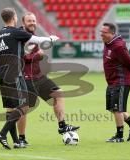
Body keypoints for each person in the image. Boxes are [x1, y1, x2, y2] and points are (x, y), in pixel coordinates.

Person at [0, 8, 59, 150]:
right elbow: (37, 40)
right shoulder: (16, 32)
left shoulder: (0, 33)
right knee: (24, 106)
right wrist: (51, 39)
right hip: (14, 72)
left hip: (2, 73)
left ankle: (16, 141)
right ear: (14, 17)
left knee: (11, 108)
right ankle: (2, 133)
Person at [17, 12, 80, 146]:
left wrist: (38, 54)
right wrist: (38, 55)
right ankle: (21, 139)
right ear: (23, 23)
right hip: (26, 78)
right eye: (29, 21)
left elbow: (33, 54)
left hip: (38, 76)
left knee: (58, 93)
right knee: (24, 108)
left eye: (34, 20)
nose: (32, 23)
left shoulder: (32, 36)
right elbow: (21, 57)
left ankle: (62, 125)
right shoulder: (22, 37)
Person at [100, 23, 130, 143]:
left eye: (104, 32)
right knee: (113, 108)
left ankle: (119, 136)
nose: (101, 34)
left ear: (112, 33)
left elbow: (129, 61)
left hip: (121, 81)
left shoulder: (118, 46)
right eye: (101, 32)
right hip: (112, 81)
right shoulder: (108, 43)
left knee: (117, 109)